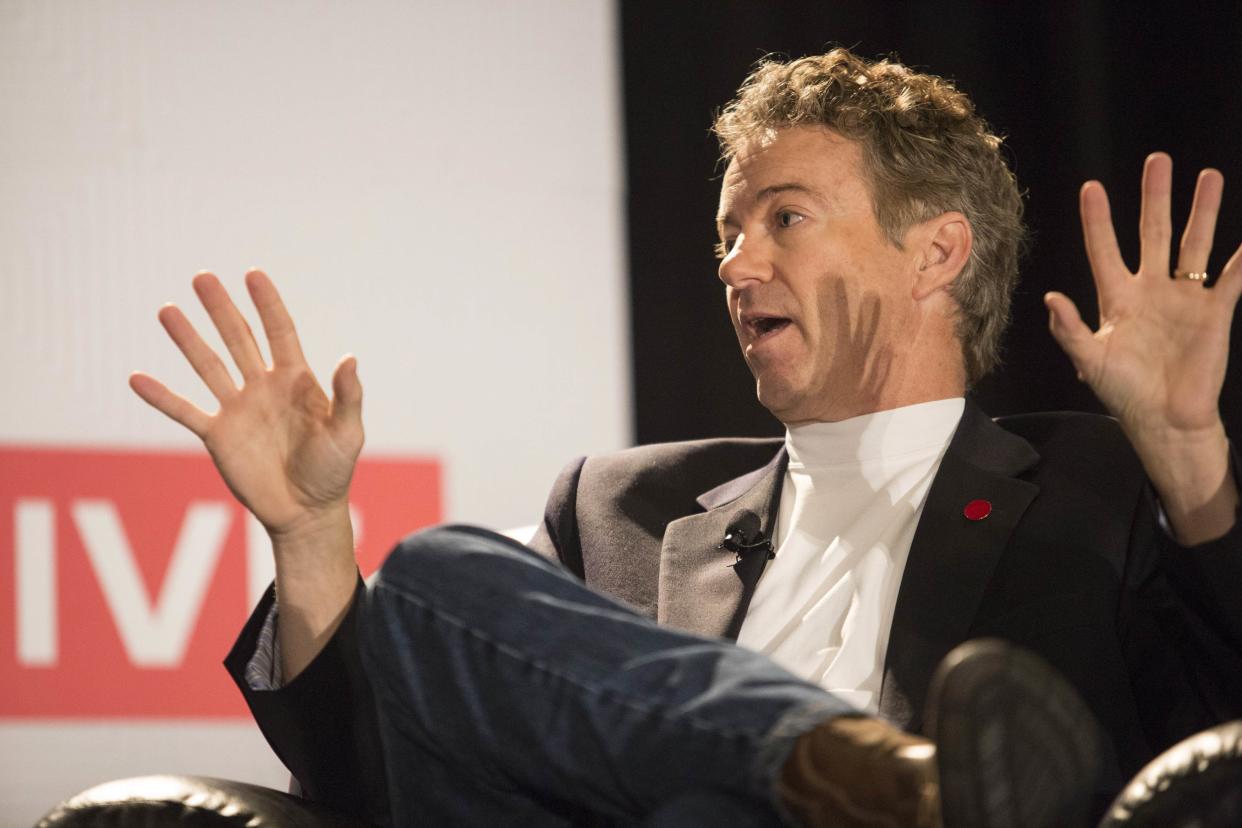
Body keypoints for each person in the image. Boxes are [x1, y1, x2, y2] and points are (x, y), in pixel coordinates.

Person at [130, 48, 1242, 826]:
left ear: (935, 254)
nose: (735, 264)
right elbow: (373, 775)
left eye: (785, 219)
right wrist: (316, 532)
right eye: (727, 233)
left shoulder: (1099, 483)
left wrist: (1188, 451)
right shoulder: (621, 506)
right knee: (429, 571)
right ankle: (876, 780)